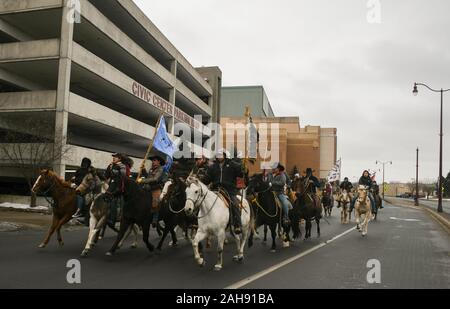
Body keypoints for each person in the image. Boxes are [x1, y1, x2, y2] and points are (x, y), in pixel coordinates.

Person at [206, 149, 244, 234]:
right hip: (216, 189)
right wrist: (199, 179)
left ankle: (237, 224)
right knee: (203, 200)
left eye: (221, 155)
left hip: (229, 190)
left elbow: (240, 173)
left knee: (234, 203)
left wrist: (243, 169)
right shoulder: (213, 167)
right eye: (218, 155)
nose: (219, 157)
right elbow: (207, 179)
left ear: (224, 155)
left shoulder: (232, 165)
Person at [138, 155, 167, 227]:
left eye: (154, 160)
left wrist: (142, 180)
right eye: (152, 161)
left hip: (156, 188)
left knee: (155, 201)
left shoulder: (161, 169)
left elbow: (155, 179)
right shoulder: (151, 169)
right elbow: (148, 177)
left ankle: (155, 219)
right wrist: (143, 170)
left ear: (159, 161)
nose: (153, 162)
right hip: (148, 188)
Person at [72, 157, 92, 222]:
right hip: (76, 185)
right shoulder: (79, 170)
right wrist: (73, 181)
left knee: (80, 196)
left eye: (86, 163)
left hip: (84, 187)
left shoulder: (89, 172)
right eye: (84, 162)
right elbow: (75, 176)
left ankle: (79, 210)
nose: (84, 164)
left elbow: (89, 181)